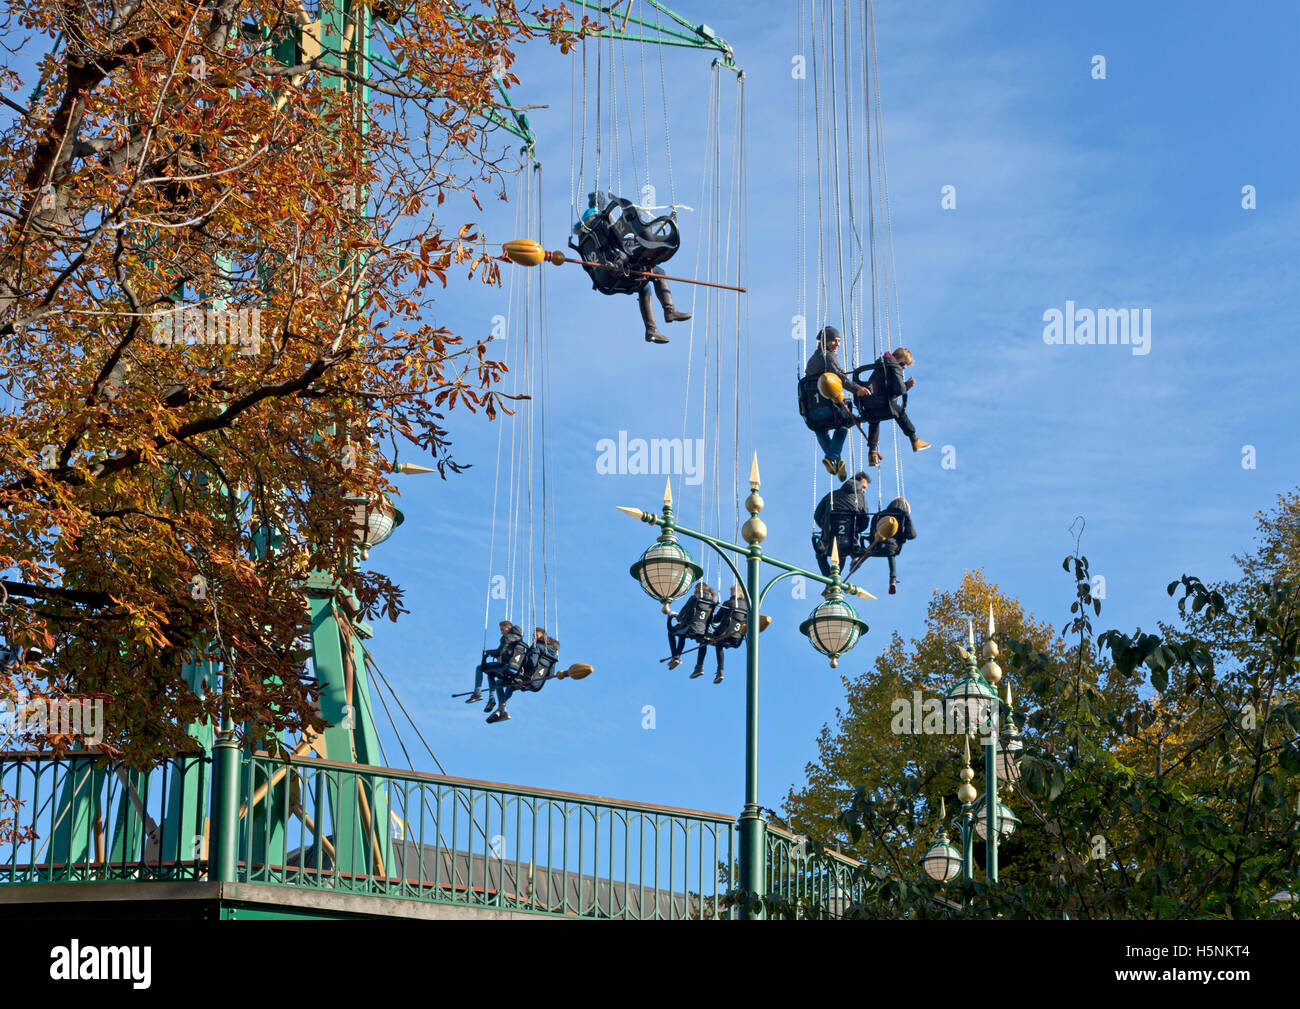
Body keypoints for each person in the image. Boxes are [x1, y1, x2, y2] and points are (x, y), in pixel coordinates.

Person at [573, 192, 691, 344]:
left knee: (644, 286)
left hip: (606, 275)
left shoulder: (584, 233)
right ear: (600, 205)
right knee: (658, 273)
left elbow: (611, 243)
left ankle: (652, 330)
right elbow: (615, 242)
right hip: (618, 265)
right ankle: (668, 312)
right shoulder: (600, 223)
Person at [804, 326, 864, 479]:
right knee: (845, 423)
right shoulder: (828, 357)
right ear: (825, 341)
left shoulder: (812, 360)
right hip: (827, 407)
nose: (837, 344)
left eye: (838, 341)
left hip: (812, 410)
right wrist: (858, 389)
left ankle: (835, 462)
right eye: (833, 341)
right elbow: (840, 379)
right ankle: (832, 457)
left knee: (821, 429)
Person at [855, 347, 930, 467]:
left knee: (874, 421)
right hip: (883, 403)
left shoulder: (881, 364)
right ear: (897, 357)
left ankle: (872, 453)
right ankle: (914, 439)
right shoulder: (894, 365)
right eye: (904, 363)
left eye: (907, 365)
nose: (904, 367)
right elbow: (899, 389)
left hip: (868, 405)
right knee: (900, 413)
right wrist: (907, 385)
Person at [487, 627, 560, 724]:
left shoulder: (537, 646)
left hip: (525, 678)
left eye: (536, 634)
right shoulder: (553, 654)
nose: (534, 636)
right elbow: (550, 674)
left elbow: (532, 663)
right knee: (511, 687)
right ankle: (501, 710)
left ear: (542, 634)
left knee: (499, 683)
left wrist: (524, 661)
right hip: (537, 684)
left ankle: (501, 709)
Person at [812, 472, 873, 576]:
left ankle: (828, 579)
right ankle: (836, 578)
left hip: (828, 539)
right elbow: (865, 521)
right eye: (863, 487)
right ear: (857, 483)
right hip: (849, 541)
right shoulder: (861, 498)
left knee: (820, 555)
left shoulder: (831, 495)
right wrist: (857, 529)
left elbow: (817, 515)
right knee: (843, 554)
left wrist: (825, 526)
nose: (864, 490)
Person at [862, 497, 916, 595]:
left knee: (868, 552)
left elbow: (871, 535)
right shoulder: (903, 516)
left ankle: (857, 560)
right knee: (891, 553)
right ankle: (893, 579)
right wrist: (908, 520)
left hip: (877, 545)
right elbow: (911, 535)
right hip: (893, 547)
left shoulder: (879, 515)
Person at [467, 620, 524, 706]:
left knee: (479, 668)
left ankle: (477, 693)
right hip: (516, 668)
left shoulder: (507, 637)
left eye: (502, 629)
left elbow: (499, 652)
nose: (501, 632)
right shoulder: (520, 639)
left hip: (506, 666)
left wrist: (488, 652)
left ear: (508, 628)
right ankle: (494, 701)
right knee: (491, 673)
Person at [667, 582, 718, 676]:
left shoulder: (694, 598)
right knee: (703, 640)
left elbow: (684, 611)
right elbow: (711, 618)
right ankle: (699, 666)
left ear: (697, 589)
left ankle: (676, 656)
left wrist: (678, 617)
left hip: (691, 627)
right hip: (703, 630)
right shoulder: (713, 603)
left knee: (673, 632)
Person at [703, 585, 748, 684]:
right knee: (719, 642)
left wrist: (709, 614)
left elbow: (716, 619)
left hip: (724, 635)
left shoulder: (728, 603)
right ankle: (719, 671)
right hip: (737, 638)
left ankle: (708, 667)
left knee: (707, 639)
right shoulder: (748, 607)